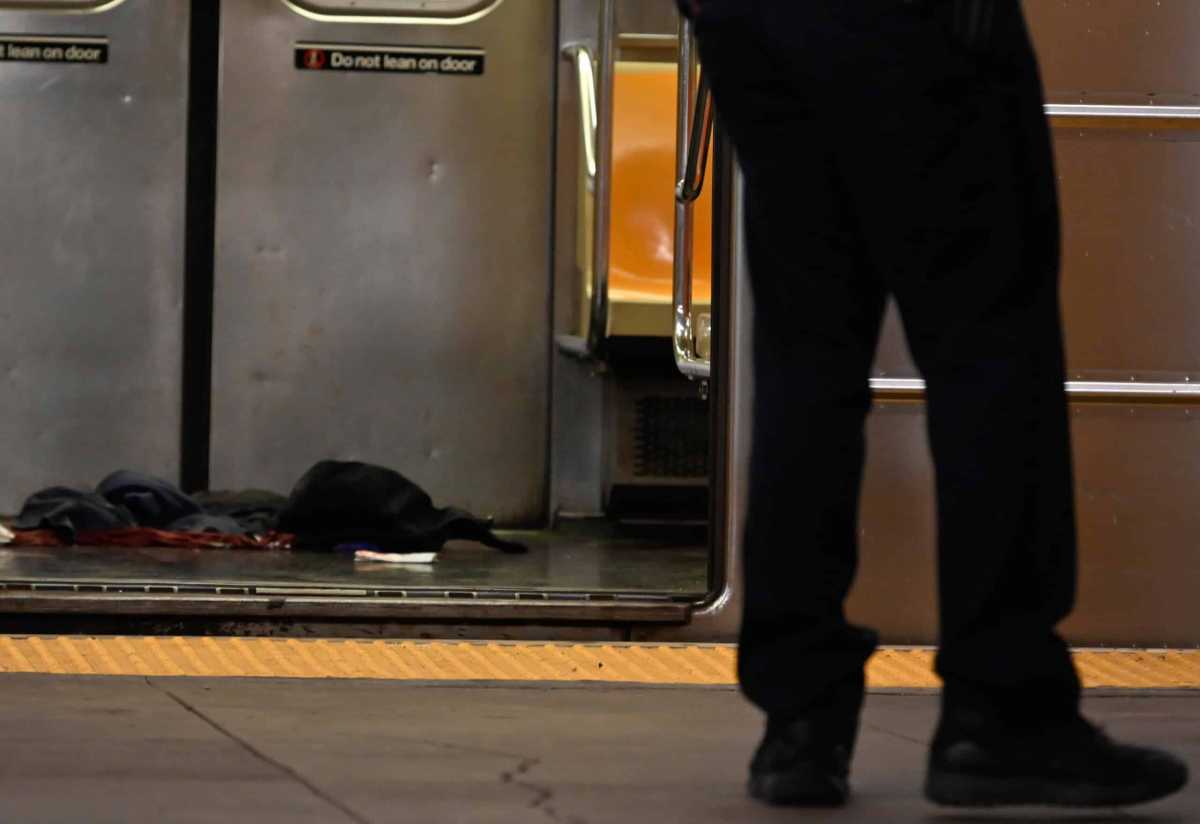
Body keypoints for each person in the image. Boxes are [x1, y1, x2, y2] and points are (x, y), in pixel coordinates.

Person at [677, 0, 1189, 808]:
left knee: (805, 357)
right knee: (991, 349)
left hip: (750, 25)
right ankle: (1002, 706)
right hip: (915, 23)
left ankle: (799, 722)